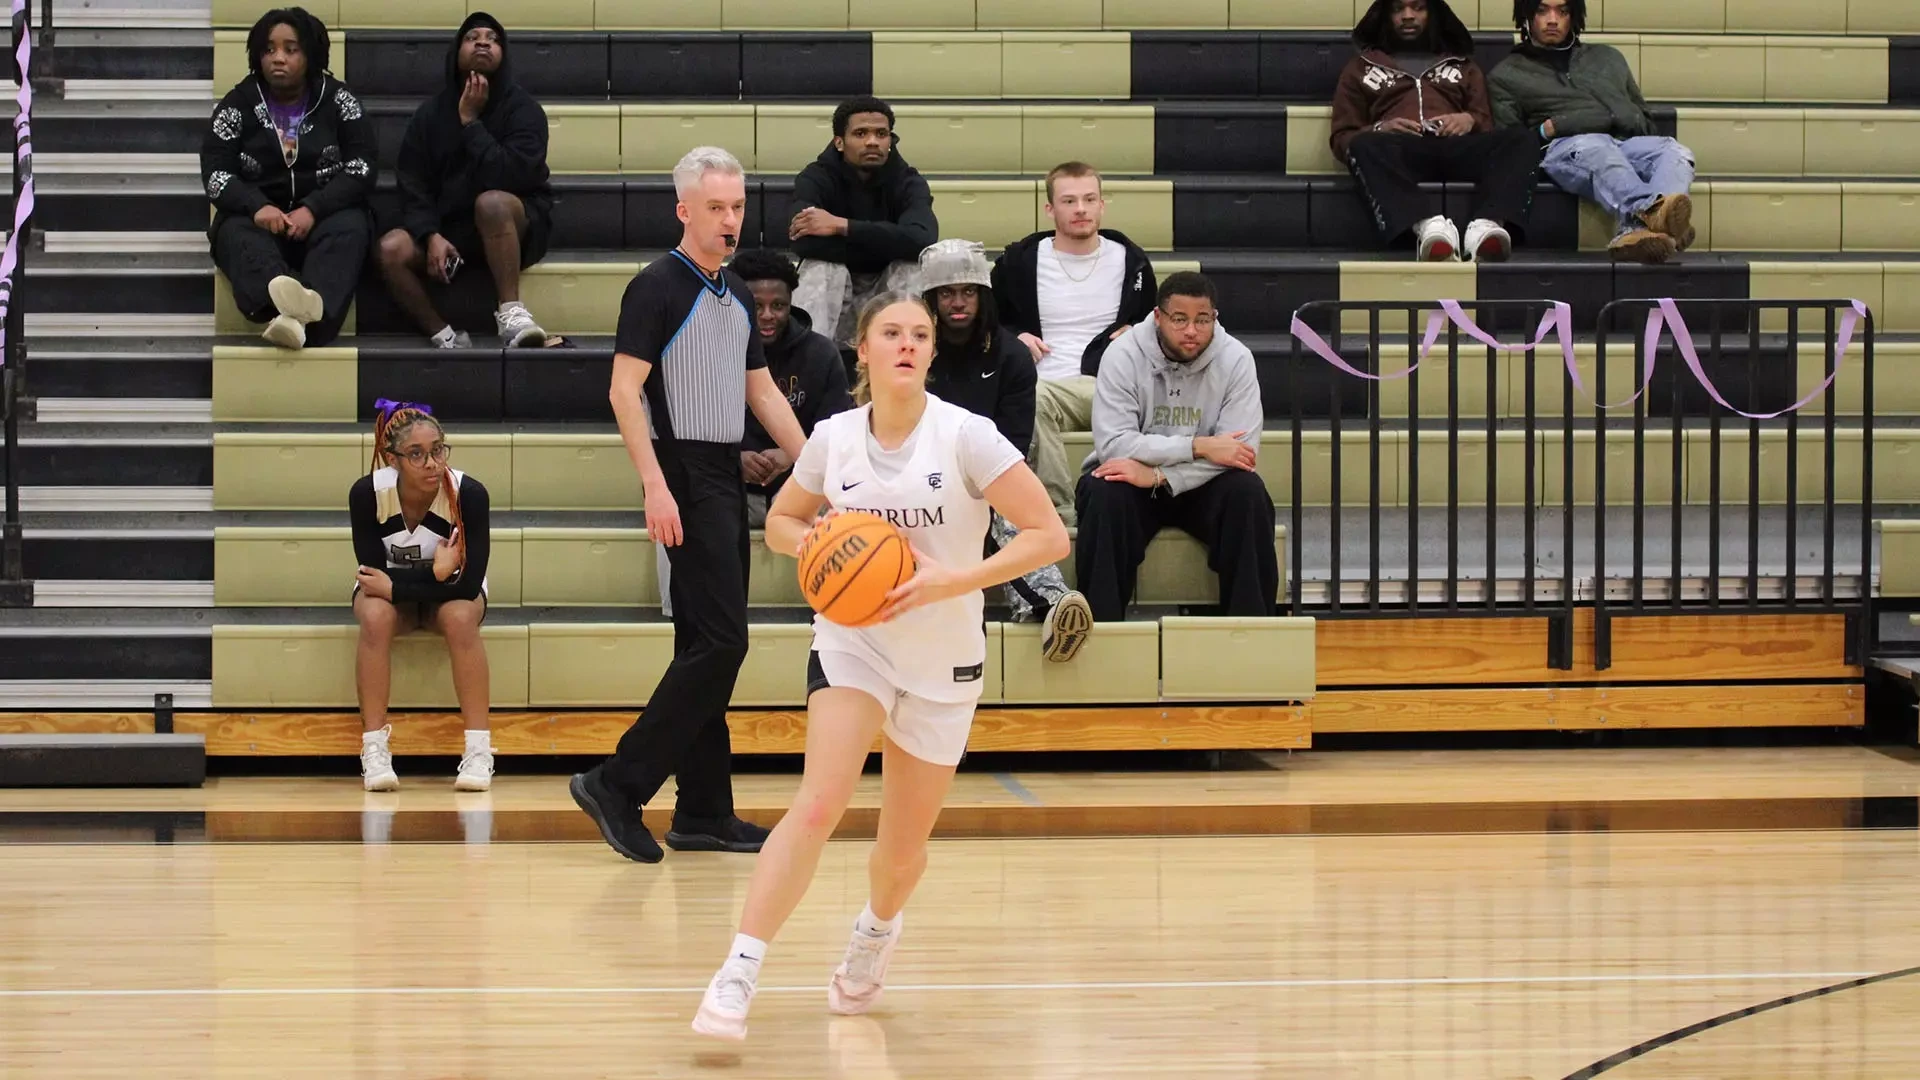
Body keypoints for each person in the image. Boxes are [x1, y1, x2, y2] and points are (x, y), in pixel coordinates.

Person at [690, 292, 1071, 1041]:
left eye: (920, 335)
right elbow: (785, 524)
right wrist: (824, 545)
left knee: (900, 852)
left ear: (932, 353)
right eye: (891, 333)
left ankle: (875, 930)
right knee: (820, 802)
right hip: (852, 642)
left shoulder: (968, 437)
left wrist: (952, 579)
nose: (907, 344)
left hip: (943, 656)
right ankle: (739, 968)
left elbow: (1049, 536)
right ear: (860, 351)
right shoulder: (833, 439)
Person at [570, 147, 808, 865]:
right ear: (684, 210)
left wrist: (826, 468)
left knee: (703, 645)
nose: (730, 219)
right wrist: (653, 483)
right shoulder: (656, 287)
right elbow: (623, 391)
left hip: (722, 472)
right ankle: (617, 783)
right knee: (722, 643)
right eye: (715, 208)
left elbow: (761, 393)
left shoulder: (733, 293)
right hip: (679, 468)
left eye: (737, 207)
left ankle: (703, 810)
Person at [655, 247, 854, 616]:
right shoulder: (701, 350)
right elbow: (678, 433)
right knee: (674, 493)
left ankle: (839, 606)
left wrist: (792, 456)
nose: (767, 316)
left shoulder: (820, 354)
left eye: (778, 305)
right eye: (755, 304)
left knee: (850, 496)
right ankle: (683, 614)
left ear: (791, 303)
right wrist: (734, 458)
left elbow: (840, 434)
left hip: (796, 486)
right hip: (726, 485)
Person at [920, 239, 1091, 663]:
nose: (958, 303)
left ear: (984, 296)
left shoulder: (1011, 355)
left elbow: (1013, 445)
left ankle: (1049, 611)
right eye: (946, 293)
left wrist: (970, 488)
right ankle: (1046, 602)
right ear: (930, 299)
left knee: (995, 510)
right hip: (916, 476)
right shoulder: (914, 348)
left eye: (968, 292)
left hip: (990, 476)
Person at [1076, 272, 1277, 621]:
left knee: (1248, 491)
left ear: (1214, 318)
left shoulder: (1236, 359)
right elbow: (1113, 444)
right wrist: (1198, 446)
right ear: (1158, 317)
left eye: (1202, 320)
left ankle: (1252, 630)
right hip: (1131, 482)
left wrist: (1157, 476)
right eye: (1179, 319)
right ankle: (1100, 631)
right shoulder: (1122, 355)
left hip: (1197, 485)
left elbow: (1238, 452)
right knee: (1104, 490)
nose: (1191, 331)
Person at [992, 162, 1157, 522]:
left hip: (1114, 385)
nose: (1080, 209)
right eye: (1069, 201)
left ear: (1102, 205)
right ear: (1049, 208)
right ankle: (1061, 513)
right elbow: (989, 324)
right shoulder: (1019, 262)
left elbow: (1156, 325)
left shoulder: (1132, 262)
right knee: (1029, 396)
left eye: (1089, 199)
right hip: (1046, 385)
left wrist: (1138, 333)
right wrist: (1014, 336)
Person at [377, 12, 554, 347]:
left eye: (492, 38)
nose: (483, 42)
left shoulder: (524, 110)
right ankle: (443, 335)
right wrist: (430, 235)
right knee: (391, 248)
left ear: (503, 55)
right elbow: (413, 183)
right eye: (473, 37)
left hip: (513, 225)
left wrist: (471, 123)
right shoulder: (429, 115)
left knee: (491, 202)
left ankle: (512, 314)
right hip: (450, 230)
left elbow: (513, 175)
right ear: (456, 52)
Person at [202, 6, 373, 350]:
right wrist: (256, 206)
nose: (277, 58)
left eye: (290, 49)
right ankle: (297, 312)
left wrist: (314, 208)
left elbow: (362, 167)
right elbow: (217, 173)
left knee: (352, 227)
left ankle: (294, 322)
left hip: (323, 218)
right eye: (268, 49)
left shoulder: (340, 101)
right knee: (234, 233)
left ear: (309, 55)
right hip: (262, 221)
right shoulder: (238, 104)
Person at [349, 399, 493, 793]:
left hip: (451, 596)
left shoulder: (469, 494)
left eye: (437, 450)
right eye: (416, 454)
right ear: (391, 458)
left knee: (462, 616)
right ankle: (374, 749)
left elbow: (466, 585)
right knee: (375, 615)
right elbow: (372, 576)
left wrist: (404, 583)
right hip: (400, 597)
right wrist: (434, 573)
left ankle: (479, 750)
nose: (432, 463)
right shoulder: (367, 494)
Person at [1330, 0, 1543, 262]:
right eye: (1398, 9)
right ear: (1385, 15)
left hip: (1457, 146)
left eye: (1418, 7)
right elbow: (1342, 137)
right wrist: (1380, 128)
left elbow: (1486, 122)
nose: (1408, 16)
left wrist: (1469, 120)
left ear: (1433, 13)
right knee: (1362, 145)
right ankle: (1429, 228)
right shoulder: (1359, 68)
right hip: (1398, 149)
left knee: (1522, 139)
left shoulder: (1463, 64)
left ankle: (1486, 226)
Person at [1490, 0, 1695, 263]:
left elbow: (1645, 122)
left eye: (1562, 11)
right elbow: (1511, 143)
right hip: (1565, 148)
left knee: (1674, 149)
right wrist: (1548, 129)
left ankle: (1638, 231)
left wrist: (1617, 113)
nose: (1553, 19)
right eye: (1542, 10)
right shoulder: (1506, 74)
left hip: (1622, 142)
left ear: (1573, 16)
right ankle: (1662, 218)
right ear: (1527, 16)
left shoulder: (1608, 58)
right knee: (1595, 146)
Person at [789, 96, 937, 345]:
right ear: (839, 142)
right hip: (836, 297)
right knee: (822, 269)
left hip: (885, 293)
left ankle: (906, 367)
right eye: (860, 133)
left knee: (910, 268)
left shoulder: (909, 181)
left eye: (881, 134)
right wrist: (887, 243)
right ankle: (809, 370)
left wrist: (841, 226)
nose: (872, 142)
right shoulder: (815, 178)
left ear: (890, 140)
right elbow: (802, 242)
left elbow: (922, 239)